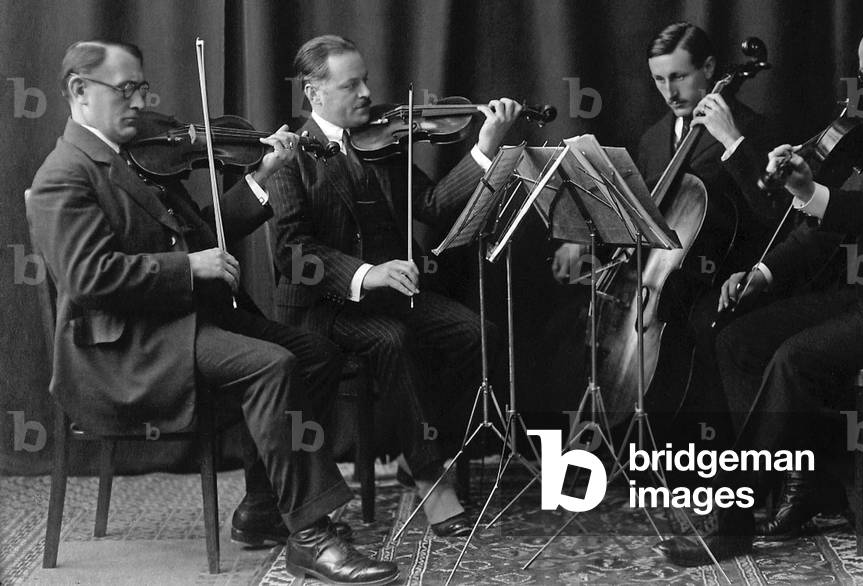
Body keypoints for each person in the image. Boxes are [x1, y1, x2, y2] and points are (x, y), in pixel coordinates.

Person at [29, 40, 398, 585]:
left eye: (140, 87)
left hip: (179, 324)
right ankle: (311, 537)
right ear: (80, 92)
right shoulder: (65, 175)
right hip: (127, 347)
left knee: (315, 353)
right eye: (125, 89)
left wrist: (264, 175)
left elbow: (203, 231)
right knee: (270, 365)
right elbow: (90, 281)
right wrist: (189, 268)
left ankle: (262, 507)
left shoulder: (131, 156)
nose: (139, 100)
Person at [657, 14, 863, 566]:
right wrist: (765, 272)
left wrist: (812, 192)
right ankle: (807, 482)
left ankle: (734, 518)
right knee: (737, 337)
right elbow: (828, 227)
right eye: (862, 72)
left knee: (794, 358)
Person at [267, 34, 522, 535]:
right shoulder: (290, 156)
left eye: (366, 80)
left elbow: (431, 207)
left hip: (394, 295)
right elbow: (292, 253)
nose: (366, 93)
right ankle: (432, 480)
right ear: (314, 93)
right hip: (324, 306)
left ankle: (425, 449)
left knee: (480, 336)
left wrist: (485, 148)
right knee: (392, 340)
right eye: (351, 84)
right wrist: (366, 273)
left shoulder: (381, 141)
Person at [549, 22, 781, 442]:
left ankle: (716, 454)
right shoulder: (654, 139)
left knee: (698, 328)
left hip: (724, 277)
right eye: (659, 79)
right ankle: (612, 443)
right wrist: (583, 239)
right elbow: (642, 219)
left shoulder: (754, 131)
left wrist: (733, 141)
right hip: (662, 275)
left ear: (710, 68)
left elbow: (773, 215)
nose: (669, 91)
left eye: (679, 76)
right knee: (576, 321)